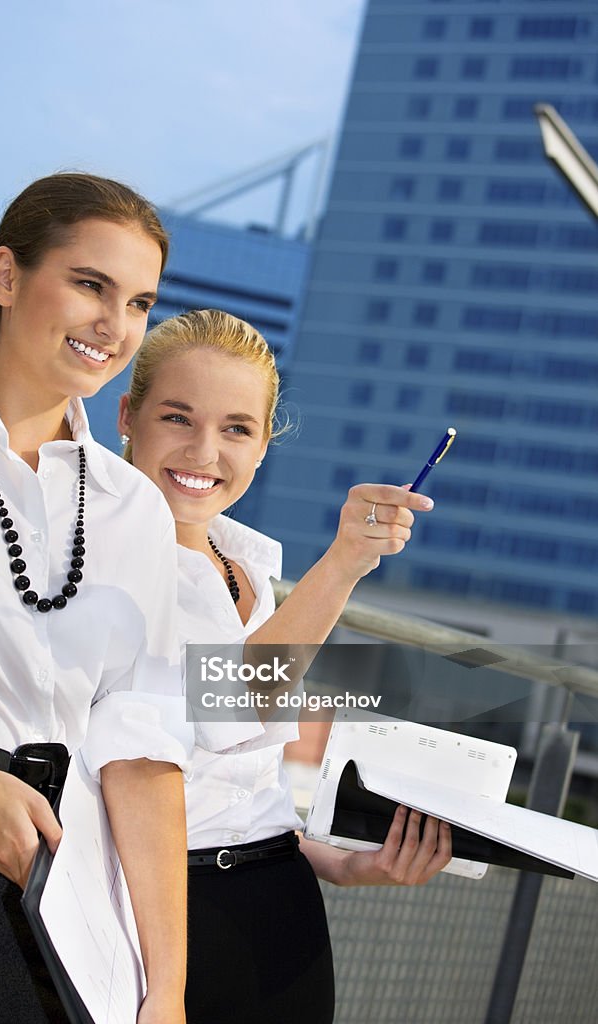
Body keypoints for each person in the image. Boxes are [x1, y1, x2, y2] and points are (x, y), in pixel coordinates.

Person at [0, 173, 192, 1024]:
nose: (115, 324)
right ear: (5, 278)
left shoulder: (134, 508)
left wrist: (165, 988)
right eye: (90, 285)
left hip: (52, 880)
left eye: (138, 302)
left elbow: (142, 757)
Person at [118, 308, 453, 1024]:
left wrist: (344, 864)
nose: (205, 451)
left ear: (265, 444)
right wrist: (345, 564)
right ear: (128, 416)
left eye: (237, 428)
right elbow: (227, 707)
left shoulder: (246, 565)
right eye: (178, 417)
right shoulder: (105, 560)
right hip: (158, 923)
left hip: (280, 906)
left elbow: (237, 780)